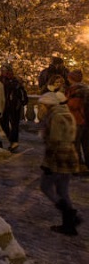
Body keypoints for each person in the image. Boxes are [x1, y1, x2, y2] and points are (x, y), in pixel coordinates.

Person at [38, 91, 82, 235]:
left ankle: (70, 214)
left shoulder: (55, 116)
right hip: (70, 155)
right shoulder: (66, 113)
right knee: (63, 190)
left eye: (44, 104)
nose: (42, 107)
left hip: (58, 157)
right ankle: (69, 225)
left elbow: (54, 141)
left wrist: (47, 163)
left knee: (45, 186)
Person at [0, 64, 28, 153]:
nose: (4, 72)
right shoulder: (0, 80)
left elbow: (22, 92)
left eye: (5, 70)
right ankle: (12, 140)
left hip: (14, 105)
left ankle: (13, 141)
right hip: (5, 105)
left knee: (14, 124)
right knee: (4, 123)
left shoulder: (15, 81)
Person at [65, 70, 89, 174]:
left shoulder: (75, 90)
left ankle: (78, 167)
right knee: (86, 145)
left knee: (75, 145)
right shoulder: (86, 89)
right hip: (86, 121)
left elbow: (73, 106)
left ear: (72, 79)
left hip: (77, 120)